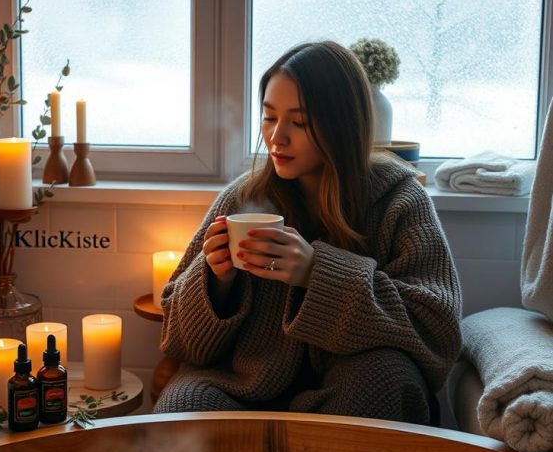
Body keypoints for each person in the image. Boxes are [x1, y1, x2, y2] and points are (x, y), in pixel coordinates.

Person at [154, 41, 462, 425]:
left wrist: (316, 273)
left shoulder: (398, 200)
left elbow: (437, 331)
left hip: (351, 383)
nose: (277, 137)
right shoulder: (243, 198)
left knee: (385, 379)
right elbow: (178, 340)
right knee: (184, 403)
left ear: (342, 123)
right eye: (269, 118)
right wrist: (215, 281)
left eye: (298, 122)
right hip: (242, 388)